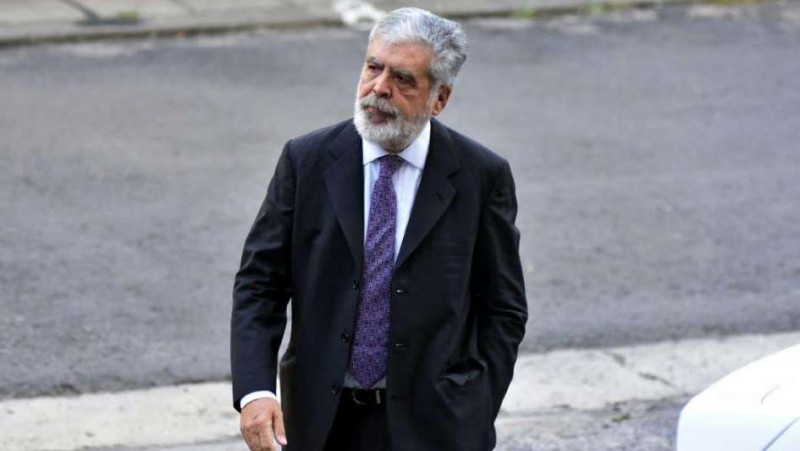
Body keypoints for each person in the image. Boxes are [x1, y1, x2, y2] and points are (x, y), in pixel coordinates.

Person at [231, 7, 528, 451]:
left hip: (435, 430)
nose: (379, 88)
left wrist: (475, 409)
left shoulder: (480, 176)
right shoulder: (306, 160)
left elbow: (503, 307)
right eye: (373, 67)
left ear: (439, 99)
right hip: (319, 423)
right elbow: (260, 284)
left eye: (403, 79)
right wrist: (256, 391)